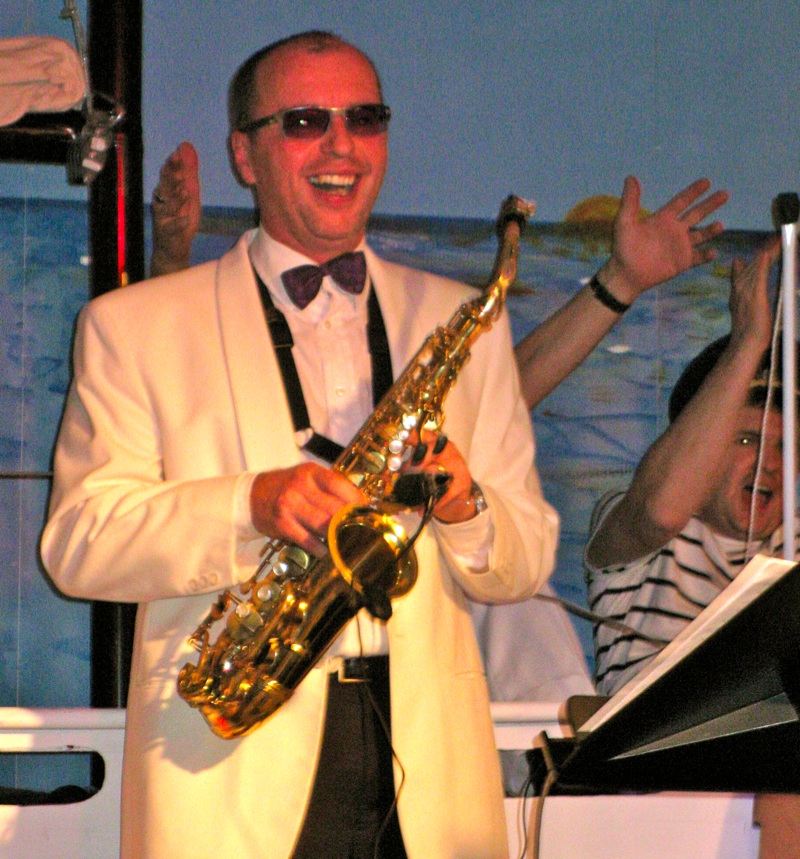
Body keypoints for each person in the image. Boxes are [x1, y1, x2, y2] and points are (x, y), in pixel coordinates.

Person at [41, 30, 559, 859]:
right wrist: (250, 504)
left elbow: (525, 561)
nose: (342, 144)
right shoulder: (132, 326)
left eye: (365, 118)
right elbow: (78, 544)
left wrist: (466, 507)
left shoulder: (464, 320)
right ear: (244, 155)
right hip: (226, 773)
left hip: (426, 776)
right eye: (307, 121)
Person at [148, 141, 728, 708]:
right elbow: (169, 389)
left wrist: (619, 284)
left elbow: (507, 388)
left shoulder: (412, 314)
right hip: (269, 596)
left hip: (402, 594)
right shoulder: (228, 322)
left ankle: (563, 759)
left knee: (518, 595)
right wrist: (170, 261)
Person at [585, 237, 798, 859]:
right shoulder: (630, 530)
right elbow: (660, 509)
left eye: (785, 446)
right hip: (651, 807)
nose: (768, 465)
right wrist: (749, 342)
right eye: (746, 441)